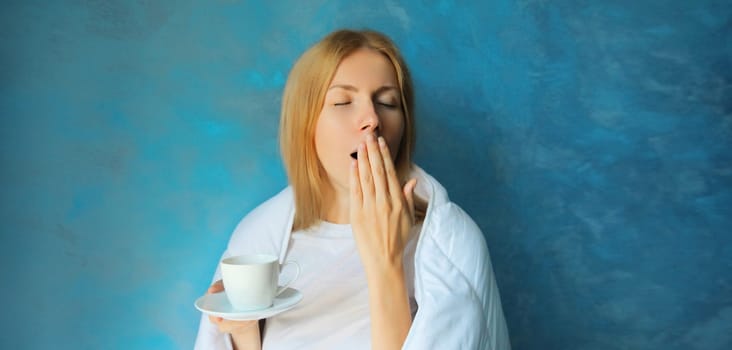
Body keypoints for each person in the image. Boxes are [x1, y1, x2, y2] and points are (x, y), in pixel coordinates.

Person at [194, 29, 510, 350]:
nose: (372, 119)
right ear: (306, 124)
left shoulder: (449, 243)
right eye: (343, 101)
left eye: (388, 102)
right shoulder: (259, 239)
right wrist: (244, 331)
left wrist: (385, 262)